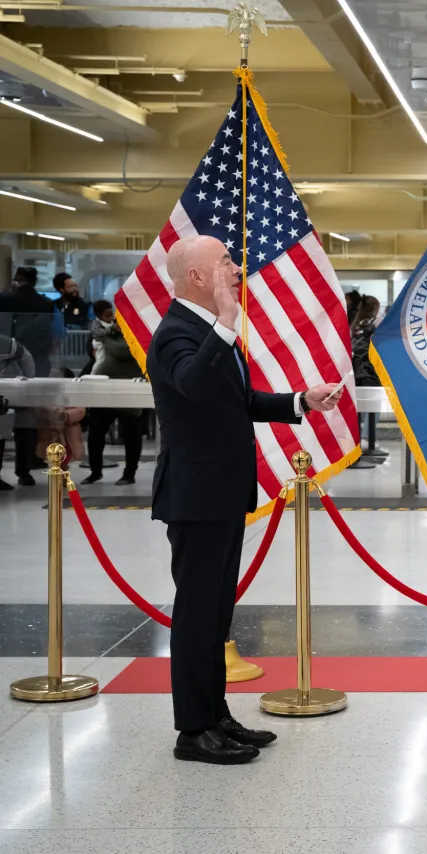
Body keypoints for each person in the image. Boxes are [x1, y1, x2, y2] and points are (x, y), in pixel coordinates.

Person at [150, 235, 340, 765]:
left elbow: (237, 400)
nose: (236, 269)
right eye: (226, 262)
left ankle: (215, 714)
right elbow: (192, 383)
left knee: (216, 616)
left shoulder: (212, 331)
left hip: (223, 493)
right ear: (196, 277)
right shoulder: (177, 334)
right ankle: (193, 730)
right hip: (195, 496)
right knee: (195, 616)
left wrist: (301, 400)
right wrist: (227, 323)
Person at [0, 267, 57, 485]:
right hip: (33, 366)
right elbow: (56, 336)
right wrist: (30, 378)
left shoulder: (5, 300)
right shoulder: (44, 304)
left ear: (17, 280)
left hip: (6, 374)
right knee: (26, 423)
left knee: (2, 426)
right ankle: (25, 469)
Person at [84, 302, 145, 485]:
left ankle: (129, 474)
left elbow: (123, 351)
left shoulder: (136, 333)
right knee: (95, 433)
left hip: (129, 390)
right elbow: (91, 348)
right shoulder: (107, 330)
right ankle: (95, 471)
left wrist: (107, 340)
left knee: (132, 434)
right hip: (105, 389)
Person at [0, 331, 35, 491]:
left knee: (25, 431)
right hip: (12, 393)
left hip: (15, 393)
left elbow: (26, 358)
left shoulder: (6, 343)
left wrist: (27, 384)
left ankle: (24, 472)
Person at [350, 295, 381, 449]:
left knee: (361, 410)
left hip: (357, 373)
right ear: (374, 309)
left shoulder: (355, 326)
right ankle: (368, 439)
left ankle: (362, 440)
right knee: (374, 409)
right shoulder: (372, 327)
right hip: (370, 372)